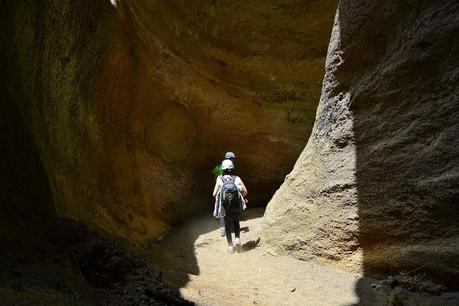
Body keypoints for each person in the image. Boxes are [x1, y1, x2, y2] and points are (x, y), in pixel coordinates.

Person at [212, 159, 248, 253]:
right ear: (232, 167)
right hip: (235, 204)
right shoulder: (237, 178)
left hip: (225, 206)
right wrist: (240, 197)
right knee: (236, 222)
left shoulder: (219, 179)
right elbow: (245, 191)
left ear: (223, 169)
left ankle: (230, 246)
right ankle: (237, 239)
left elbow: (214, 194)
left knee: (227, 225)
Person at [212, 152, 237, 236]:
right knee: (233, 208)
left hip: (221, 189)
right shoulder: (231, 166)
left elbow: (214, 193)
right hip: (232, 190)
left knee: (223, 210)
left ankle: (223, 228)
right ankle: (233, 227)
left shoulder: (221, 166)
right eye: (233, 158)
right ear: (231, 158)